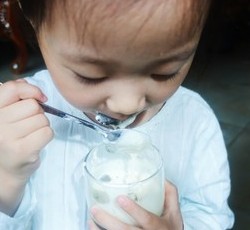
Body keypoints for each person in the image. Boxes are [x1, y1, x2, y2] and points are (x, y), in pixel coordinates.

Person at [0, 0, 234, 229]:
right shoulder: (13, 121)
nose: (127, 105)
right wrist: (6, 178)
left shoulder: (194, 122)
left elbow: (212, 215)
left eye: (164, 72)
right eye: (91, 76)